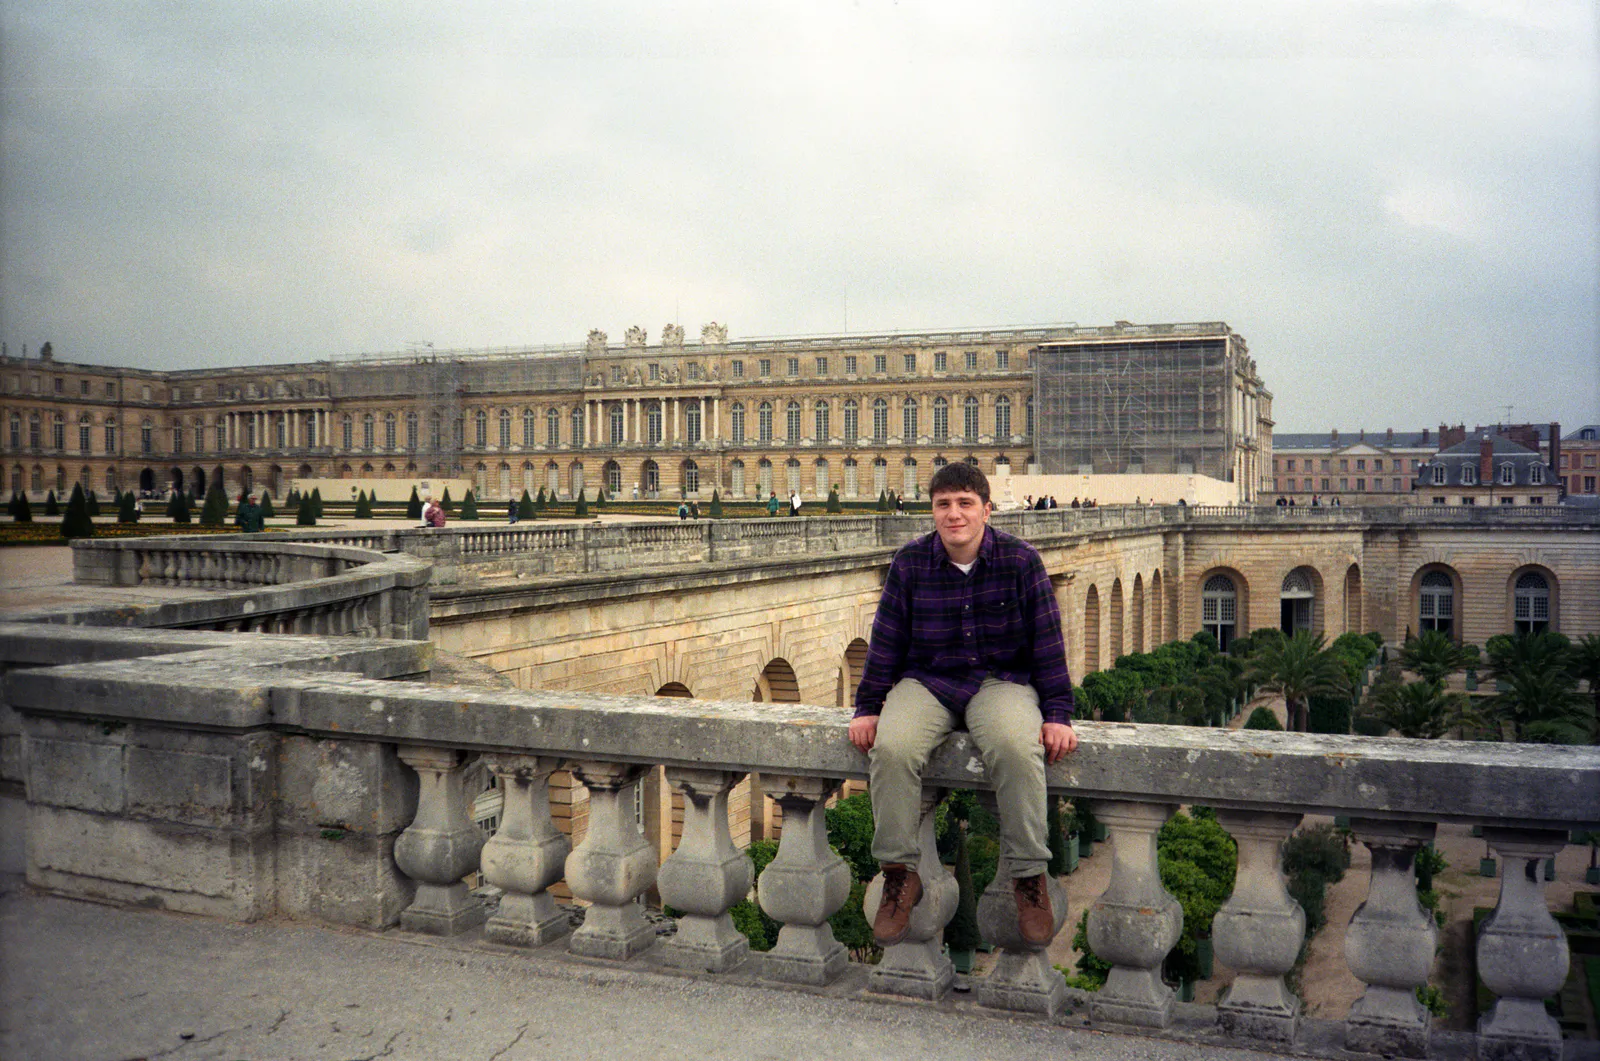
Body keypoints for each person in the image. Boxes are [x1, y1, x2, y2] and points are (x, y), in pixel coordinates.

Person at [849, 463, 1077, 948]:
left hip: (1001, 682)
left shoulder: (1021, 561)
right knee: (891, 747)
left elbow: (1048, 643)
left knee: (1016, 747)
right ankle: (898, 873)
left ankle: (1028, 877)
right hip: (929, 681)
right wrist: (867, 706)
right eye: (943, 504)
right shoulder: (910, 564)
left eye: (964, 503)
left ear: (986, 510)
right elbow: (885, 643)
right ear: (932, 511)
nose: (954, 514)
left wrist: (1058, 714)